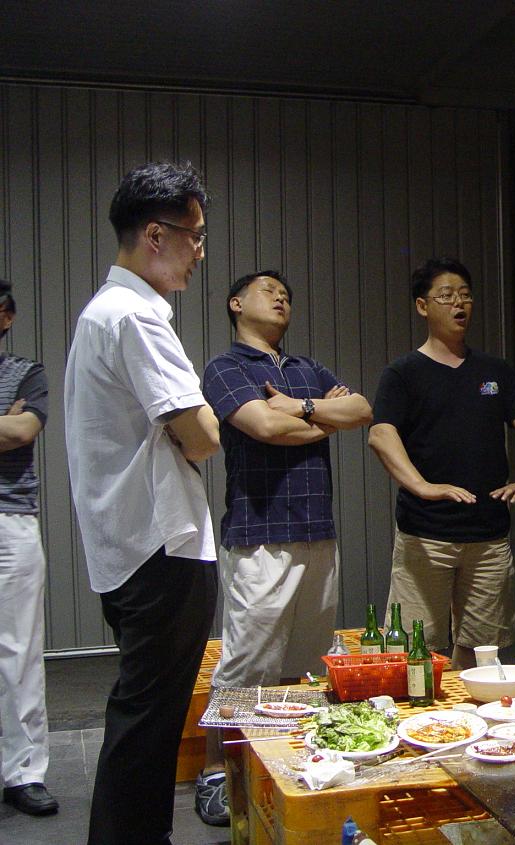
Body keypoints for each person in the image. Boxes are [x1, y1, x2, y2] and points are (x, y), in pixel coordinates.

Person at [64, 161, 220, 845]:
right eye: (195, 236)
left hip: (130, 549)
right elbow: (203, 435)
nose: (199, 252)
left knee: (145, 723)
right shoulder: (134, 315)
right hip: (160, 548)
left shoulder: (104, 311)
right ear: (156, 235)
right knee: (146, 727)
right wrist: (200, 427)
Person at [195, 270, 372, 823]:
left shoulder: (305, 368)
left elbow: (361, 410)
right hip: (259, 533)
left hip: (317, 529)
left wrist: (298, 407)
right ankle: (216, 774)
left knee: (304, 665)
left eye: (286, 294)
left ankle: (282, 765)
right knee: (246, 665)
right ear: (235, 303)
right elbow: (264, 427)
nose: (280, 298)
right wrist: (321, 417)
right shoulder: (225, 367)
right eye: (268, 290)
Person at [369, 258, 515, 670]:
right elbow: (381, 434)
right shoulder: (403, 372)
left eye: (465, 295)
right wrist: (422, 486)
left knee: (483, 648)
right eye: (446, 296)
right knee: (417, 648)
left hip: (488, 534)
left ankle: (470, 708)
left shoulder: (494, 370)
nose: (458, 304)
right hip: (425, 533)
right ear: (422, 306)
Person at [0, 281, 57, 817]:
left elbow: (21, 430)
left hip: (10, 519)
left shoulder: (25, 372)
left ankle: (24, 772)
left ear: (7, 317)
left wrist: (12, 426)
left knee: (18, 650)